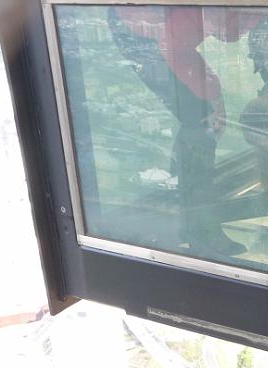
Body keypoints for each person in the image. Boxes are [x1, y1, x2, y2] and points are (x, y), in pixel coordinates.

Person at [109, 6, 260, 256]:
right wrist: (214, 95)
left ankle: (187, 215)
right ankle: (200, 229)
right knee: (202, 124)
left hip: (157, 33)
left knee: (201, 122)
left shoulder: (220, 14)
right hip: (142, 35)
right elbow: (174, 47)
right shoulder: (189, 17)